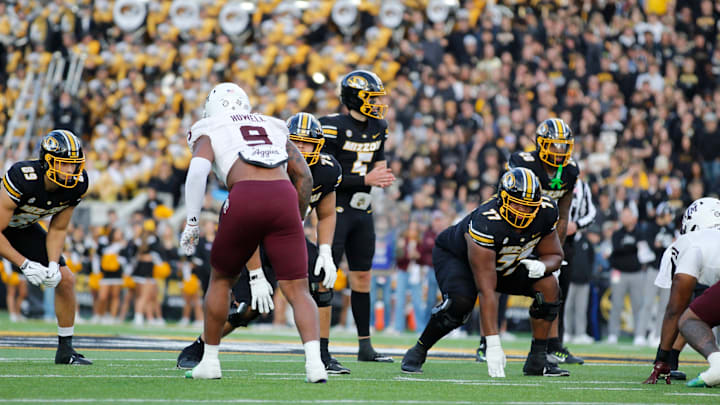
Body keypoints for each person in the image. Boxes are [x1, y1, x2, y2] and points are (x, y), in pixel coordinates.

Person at [176, 112, 350, 374]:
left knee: (321, 280)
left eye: (307, 143)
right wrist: (256, 275)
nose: (301, 148)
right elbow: (249, 222)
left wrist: (325, 251)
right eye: (297, 142)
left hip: (287, 236)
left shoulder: (327, 169)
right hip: (255, 238)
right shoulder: (270, 165)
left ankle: (322, 356)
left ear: (319, 145)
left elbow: (325, 213)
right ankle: (203, 345)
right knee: (249, 309)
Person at [401, 168, 569, 377]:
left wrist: (543, 266)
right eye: (516, 203)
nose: (522, 211)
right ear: (502, 198)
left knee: (549, 287)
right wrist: (493, 343)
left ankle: (538, 359)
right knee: (460, 304)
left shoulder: (546, 211)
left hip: (507, 262)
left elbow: (554, 254)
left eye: (528, 206)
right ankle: (418, 350)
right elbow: (487, 290)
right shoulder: (486, 221)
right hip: (458, 258)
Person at [492, 118, 583, 366]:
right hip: (515, 230)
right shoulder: (523, 162)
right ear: (541, 144)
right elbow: (501, 199)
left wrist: (556, 248)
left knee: (554, 289)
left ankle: (552, 346)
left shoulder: (571, 170)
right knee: (494, 283)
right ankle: (486, 342)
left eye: (563, 146)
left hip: (545, 235)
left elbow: (563, 214)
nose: (559, 151)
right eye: (553, 146)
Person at [319, 69, 396, 362]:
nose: (377, 104)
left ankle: (365, 346)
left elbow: (380, 168)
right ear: (354, 98)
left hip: (362, 209)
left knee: (362, 275)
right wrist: (366, 179)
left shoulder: (379, 127)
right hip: (334, 208)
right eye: (371, 98)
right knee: (326, 277)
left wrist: (378, 179)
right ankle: (322, 349)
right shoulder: (332, 126)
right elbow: (325, 174)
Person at [0, 129, 92, 365]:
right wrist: (24, 264)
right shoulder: (23, 177)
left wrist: (52, 264)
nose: (70, 171)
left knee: (65, 278)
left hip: (21, 228)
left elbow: (58, 229)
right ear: (47, 161)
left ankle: (65, 350)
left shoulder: (76, 185)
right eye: (63, 164)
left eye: (73, 165)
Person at [643, 197, 720, 386]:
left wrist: (662, 358)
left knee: (688, 319)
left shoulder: (689, 242)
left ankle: (717, 363)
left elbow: (676, 309)